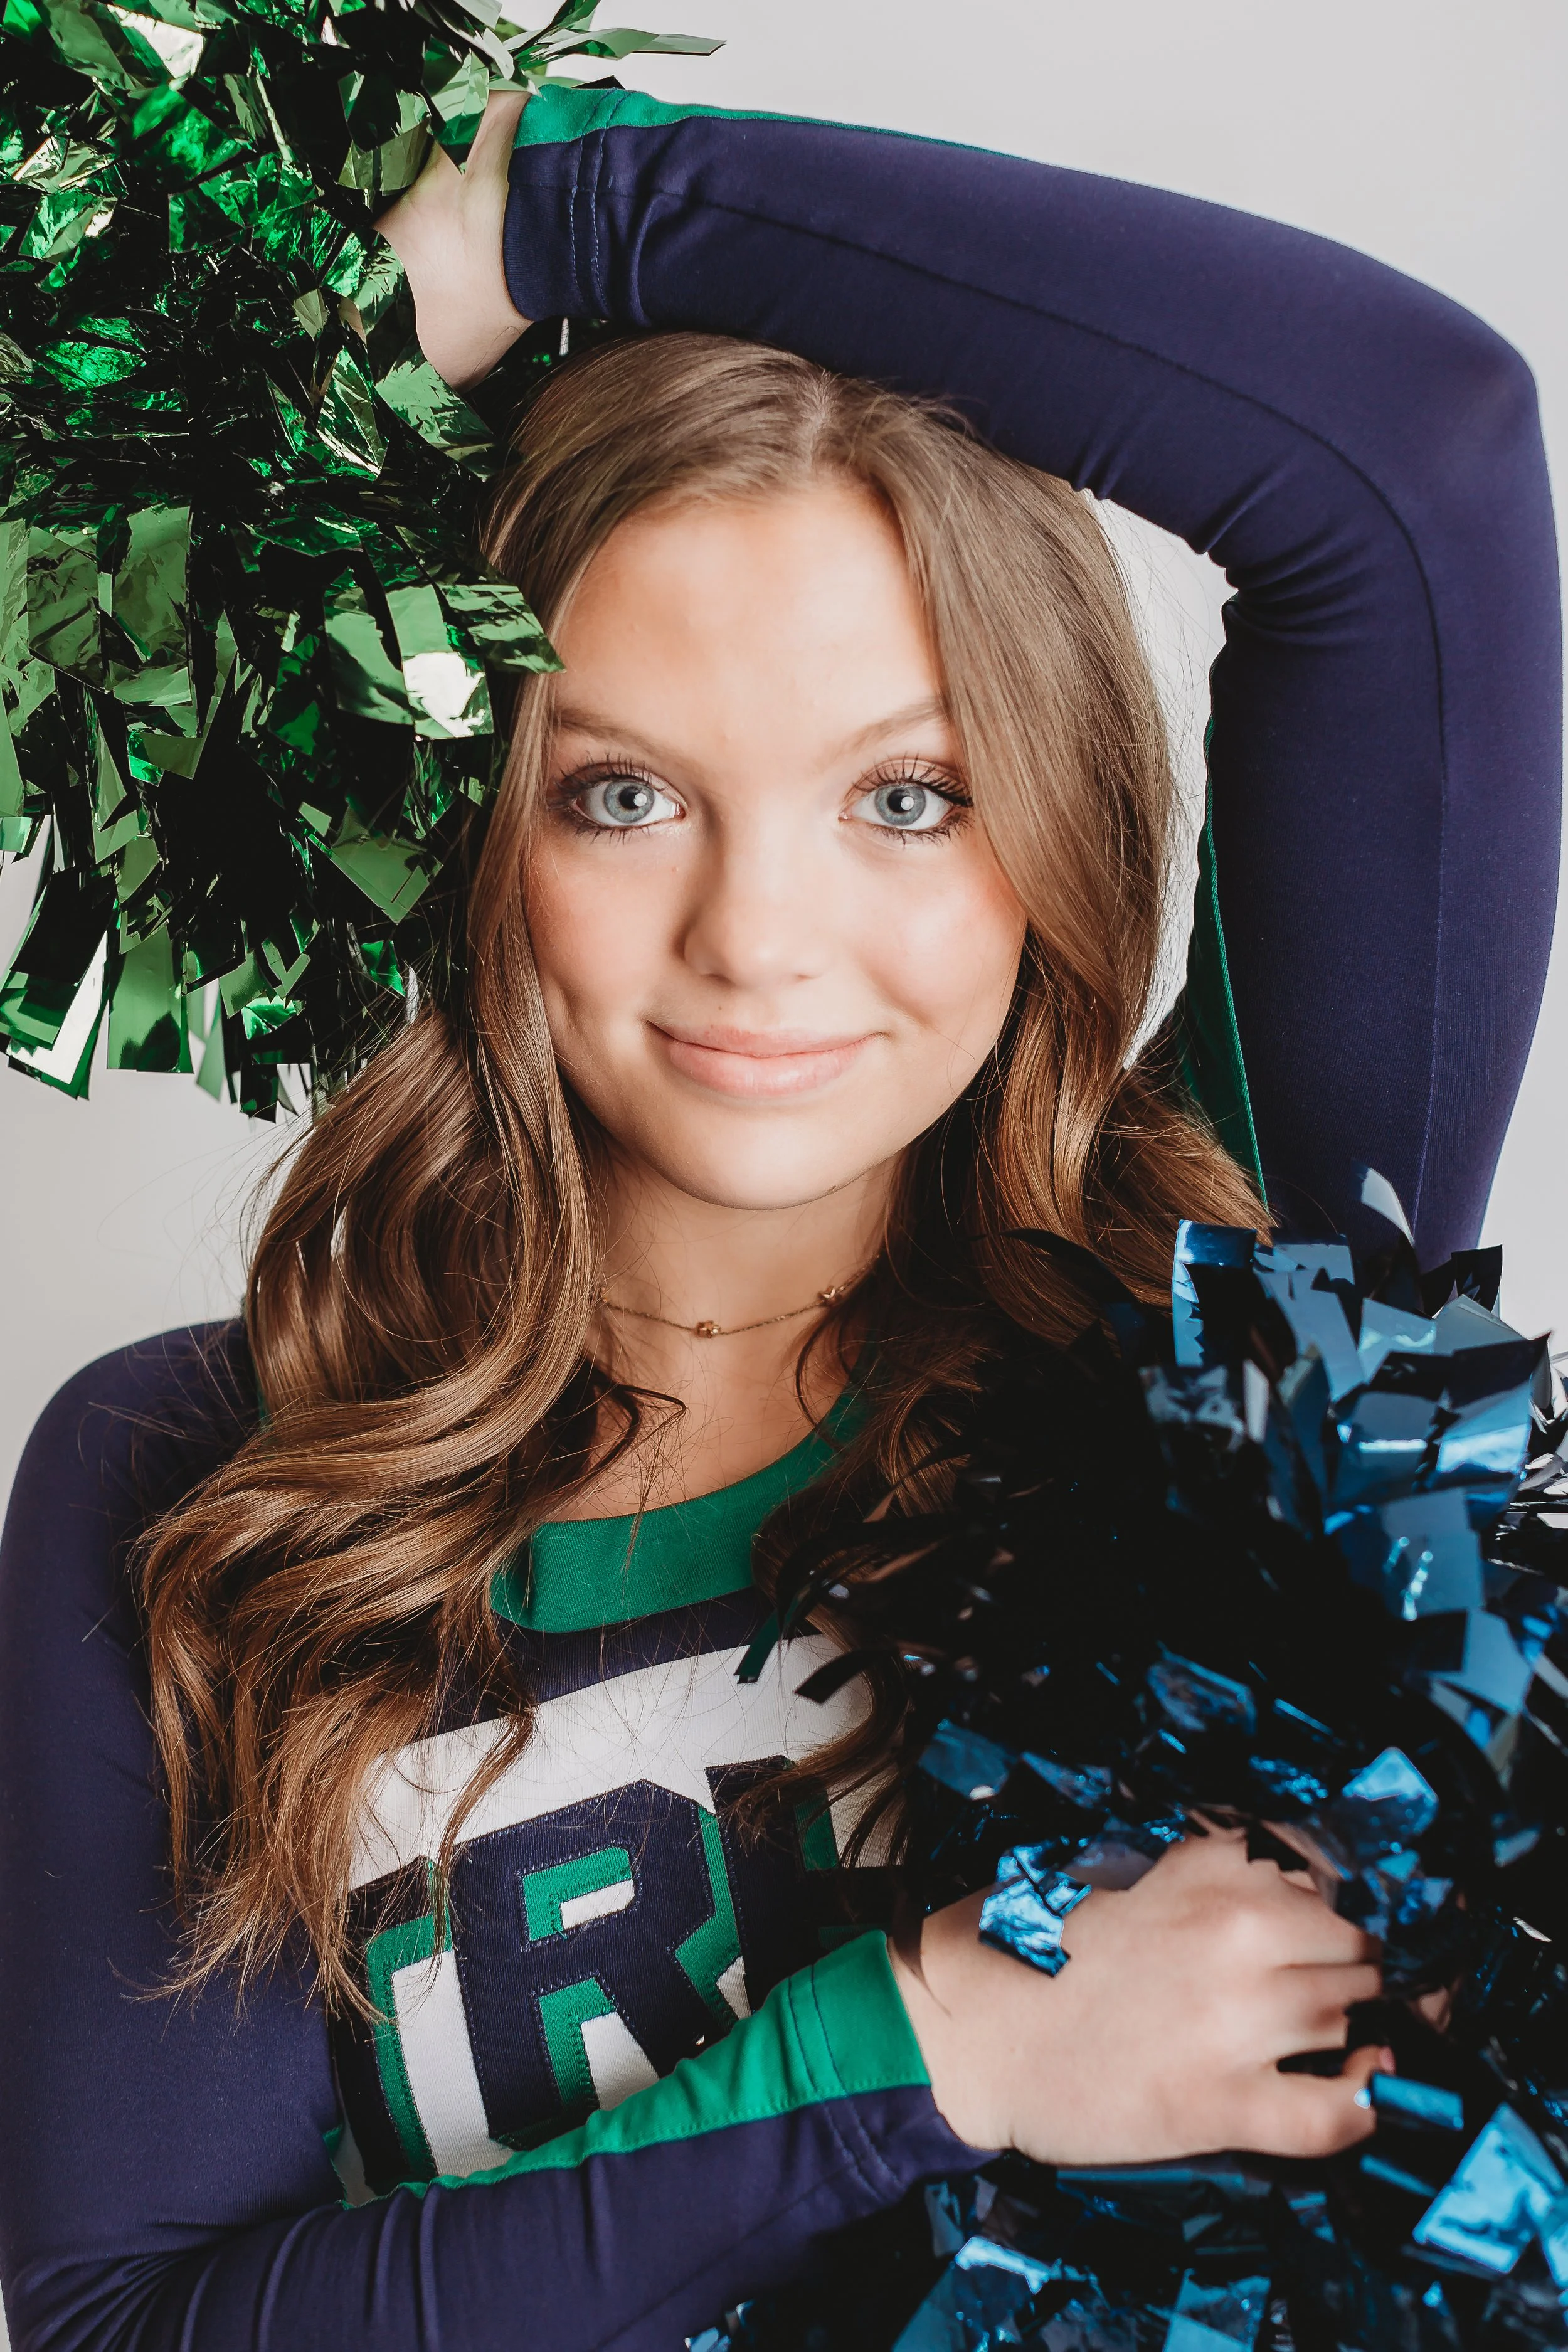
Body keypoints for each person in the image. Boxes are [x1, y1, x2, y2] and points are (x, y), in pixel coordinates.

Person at [0, 80, 1558, 2352]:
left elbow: (1411, 457)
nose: (763, 937)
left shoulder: (1234, 1324)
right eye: (622, 792)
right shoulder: (206, 1492)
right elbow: (131, 2327)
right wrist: (926, 2053)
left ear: (1049, 821)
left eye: (904, 796)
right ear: (469, 822)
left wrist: (577, 203)